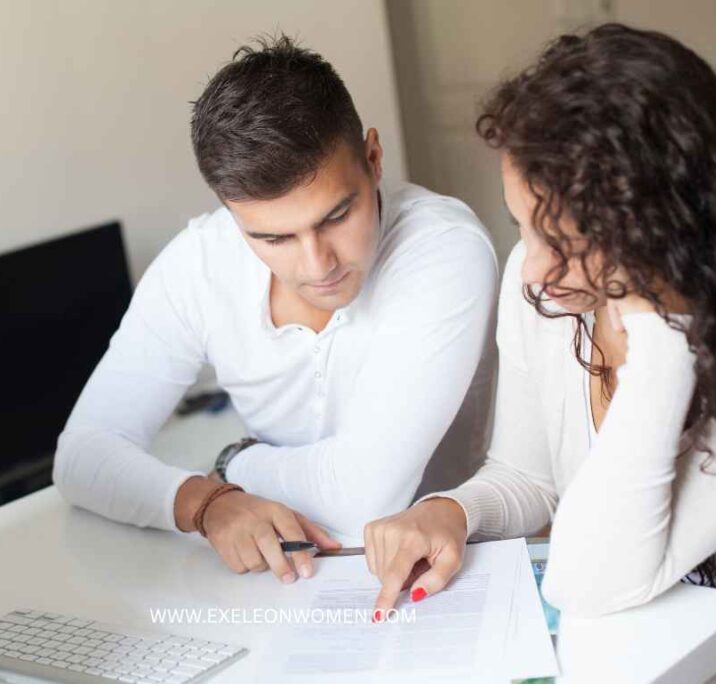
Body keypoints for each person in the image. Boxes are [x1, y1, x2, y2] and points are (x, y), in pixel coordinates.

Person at [363, 24, 716, 678]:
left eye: (562, 239)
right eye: (523, 228)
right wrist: (451, 510)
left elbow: (591, 578)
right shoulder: (554, 290)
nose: (531, 270)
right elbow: (530, 476)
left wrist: (661, 331)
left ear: (662, 229)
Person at [53, 36, 497, 585]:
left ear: (374, 159)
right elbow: (80, 458)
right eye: (273, 238)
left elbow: (364, 497)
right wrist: (207, 503)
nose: (318, 264)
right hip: (282, 582)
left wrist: (233, 464)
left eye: (336, 215)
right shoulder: (200, 262)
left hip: (453, 578)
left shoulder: (443, 249)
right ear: (230, 214)